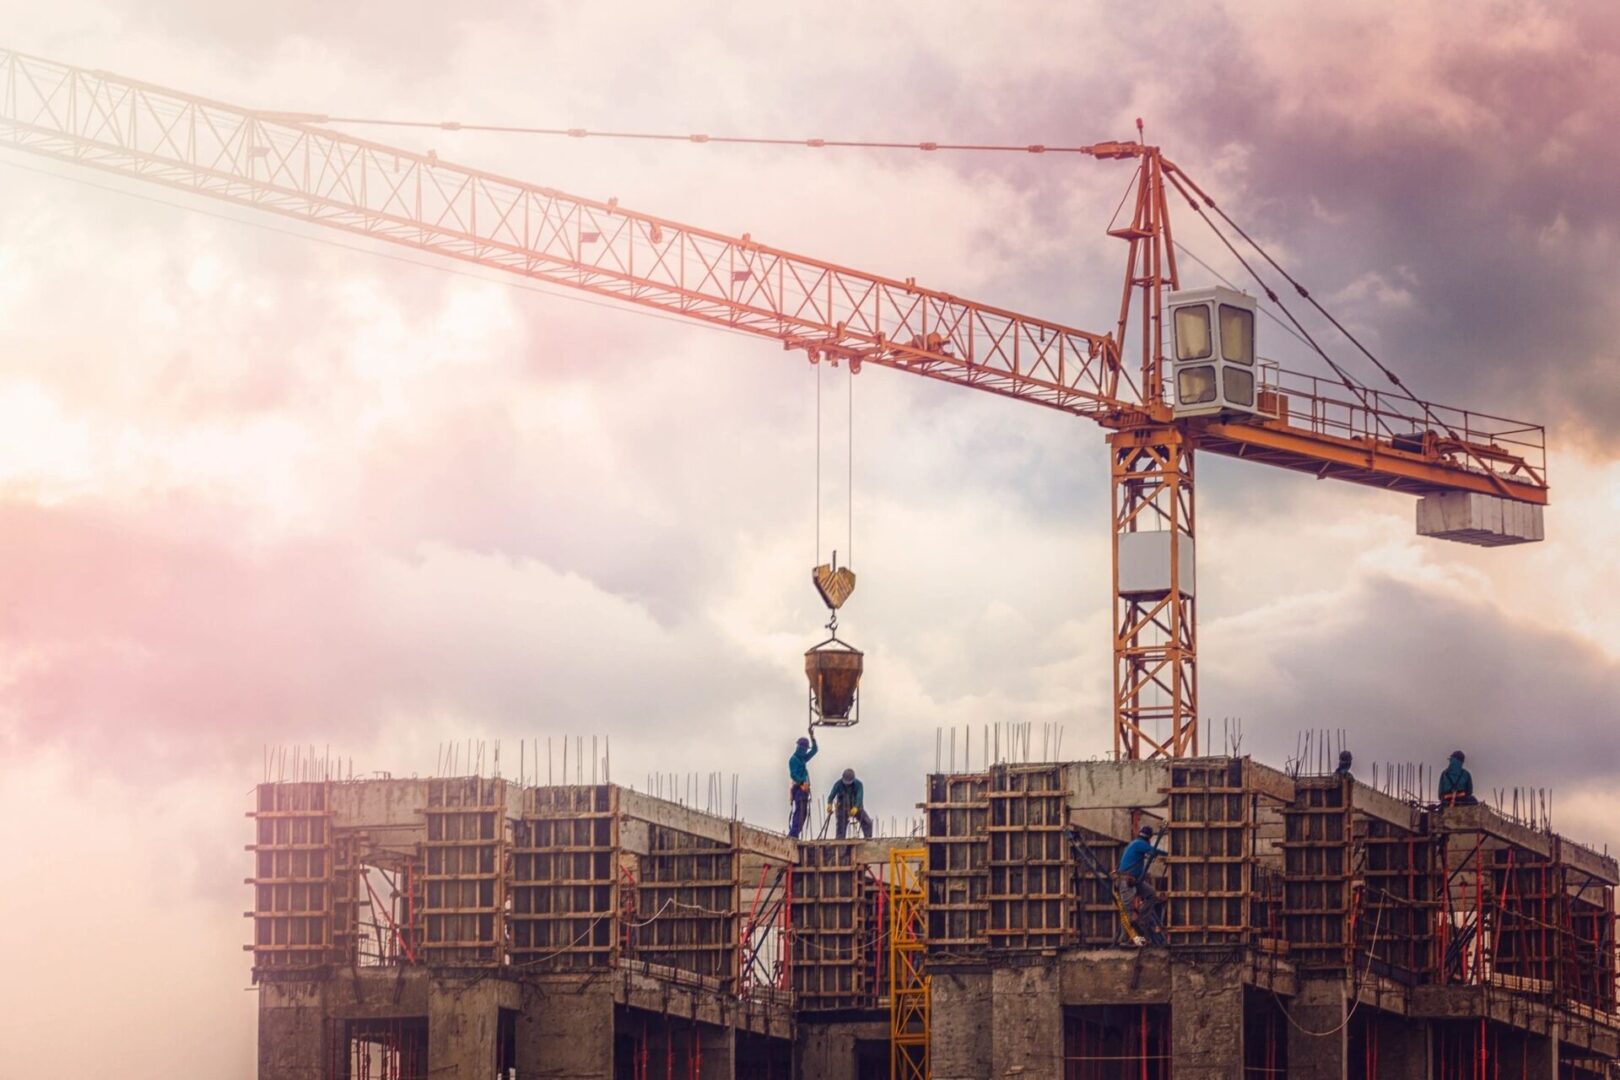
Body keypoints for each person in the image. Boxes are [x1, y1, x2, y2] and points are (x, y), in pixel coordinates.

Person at [1115, 825, 1163, 941]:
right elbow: (1154, 851)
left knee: (1151, 894)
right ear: (1149, 838)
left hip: (1135, 880)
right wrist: (1171, 853)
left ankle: (1142, 918)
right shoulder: (1139, 844)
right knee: (1128, 912)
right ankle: (1124, 939)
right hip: (1126, 881)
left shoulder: (1135, 843)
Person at [826, 768, 873, 839]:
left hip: (856, 807)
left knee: (867, 822)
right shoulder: (838, 784)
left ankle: (868, 839)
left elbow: (859, 797)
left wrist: (856, 807)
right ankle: (840, 841)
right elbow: (831, 796)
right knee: (841, 827)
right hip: (842, 807)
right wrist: (829, 804)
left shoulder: (858, 784)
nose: (847, 784)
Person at [787, 733, 818, 838]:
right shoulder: (794, 759)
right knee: (799, 812)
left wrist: (812, 737)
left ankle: (795, 834)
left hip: (804, 790)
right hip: (798, 789)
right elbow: (793, 774)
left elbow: (814, 751)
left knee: (803, 814)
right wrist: (801, 783)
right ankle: (793, 834)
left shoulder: (803, 758)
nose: (805, 751)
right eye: (804, 748)